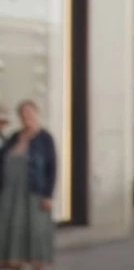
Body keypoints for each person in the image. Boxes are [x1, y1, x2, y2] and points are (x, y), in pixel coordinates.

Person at [0, 100, 57, 270]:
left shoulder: (45, 138)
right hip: (10, 194)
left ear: (37, 114)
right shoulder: (14, 137)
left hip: (34, 193)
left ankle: (37, 266)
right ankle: (14, 264)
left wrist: (48, 195)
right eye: (23, 114)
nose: (27, 116)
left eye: (30, 112)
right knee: (11, 231)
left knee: (36, 232)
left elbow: (52, 168)